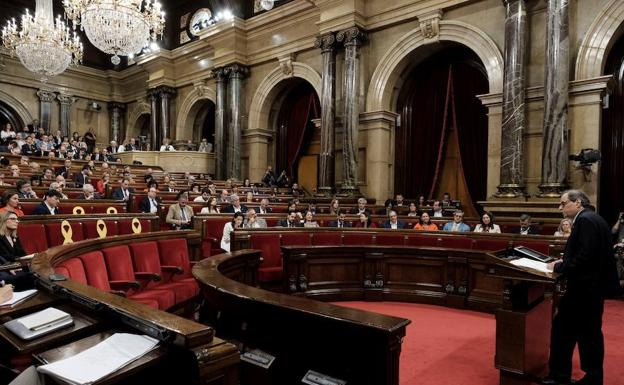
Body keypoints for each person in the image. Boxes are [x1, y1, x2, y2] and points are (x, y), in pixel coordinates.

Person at [542, 190, 620, 385]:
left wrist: (560, 266)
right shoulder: (594, 218)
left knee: (563, 330)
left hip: (583, 289)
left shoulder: (584, 220)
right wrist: (567, 259)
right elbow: (589, 251)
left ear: (577, 203)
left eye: (563, 203)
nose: (560, 207)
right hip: (593, 288)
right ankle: (593, 377)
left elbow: (585, 256)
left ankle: (559, 376)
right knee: (589, 333)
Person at [0, 211, 35, 290]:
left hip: (19, 267)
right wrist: (10, 266)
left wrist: (30, 257)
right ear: (3, 220)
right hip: (6, 269)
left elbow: (22, 253)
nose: (17, 221)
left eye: (17, 219)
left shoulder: (15, 237)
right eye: (13, 219)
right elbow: (2, 256)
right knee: (31, 278)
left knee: (37, 274)